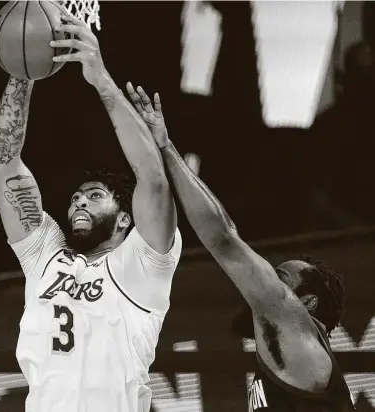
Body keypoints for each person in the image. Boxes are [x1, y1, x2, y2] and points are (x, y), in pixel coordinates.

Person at [0, 16, 181, 412]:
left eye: (94, 196)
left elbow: (154, 179)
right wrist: (24, 70)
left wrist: (100, 78)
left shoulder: (143, 264)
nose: (78, 202)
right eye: (76, 197)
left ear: (126, 219)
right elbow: (5, 162)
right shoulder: (45, 257)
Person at [126, 84, 355, 412]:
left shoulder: (295, 328)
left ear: (306, 302)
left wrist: (166, 147)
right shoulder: (290, 357)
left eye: (281, 278)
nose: (267, 280)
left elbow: (224, 239)